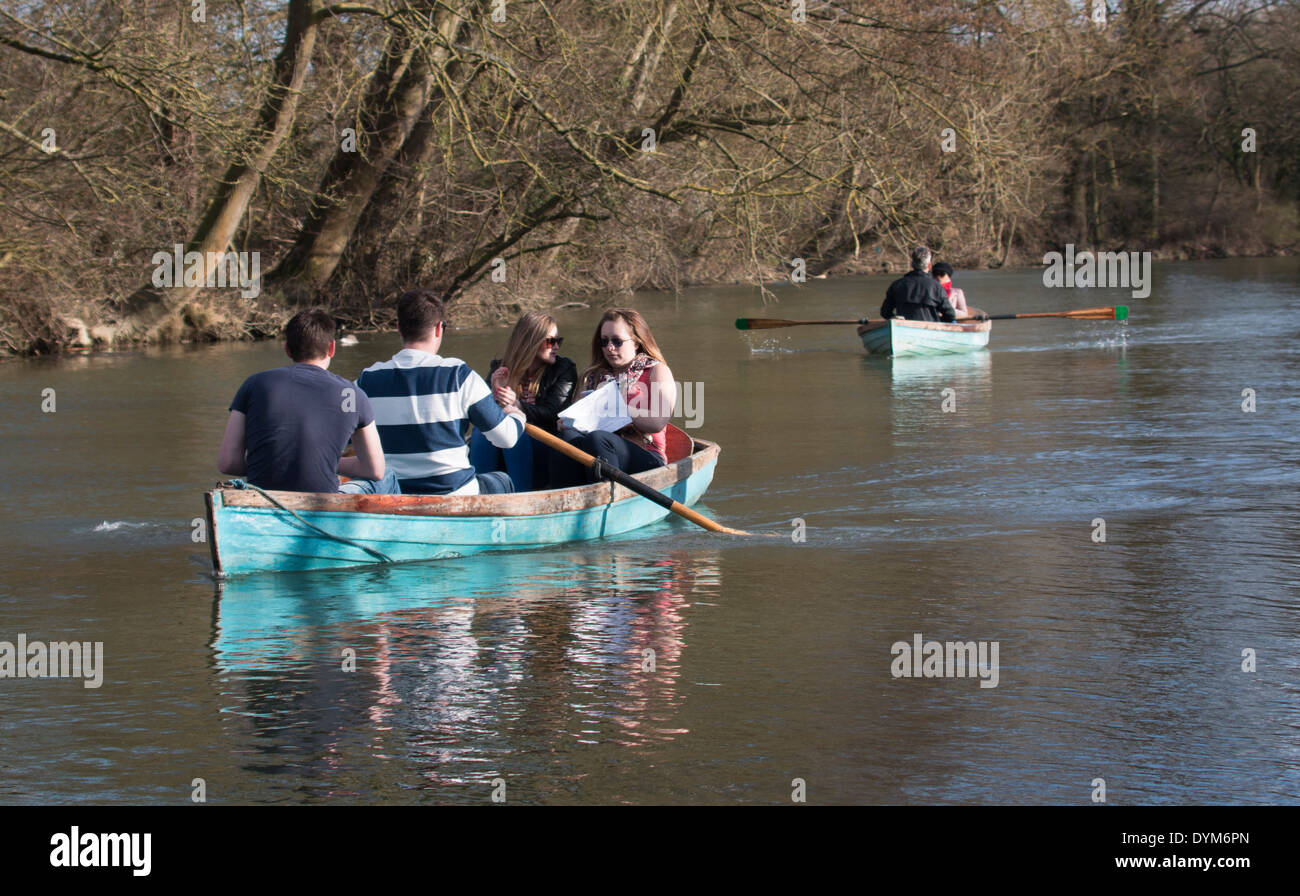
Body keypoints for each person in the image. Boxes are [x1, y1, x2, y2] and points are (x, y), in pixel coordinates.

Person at [356, 288, 524, 495]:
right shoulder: (460, 376)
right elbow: (506, 439)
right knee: (501, 480)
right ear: (438, 329)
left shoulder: (365, 382)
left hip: (395, 495)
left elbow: (342, 437)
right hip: (453, 495)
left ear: (399, 328)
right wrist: (517, 413)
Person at [218, 308, 397, 494]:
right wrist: (327, 463)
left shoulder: (254, 385)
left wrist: (273, 465)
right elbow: (374, 470)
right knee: (387, 476)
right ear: (331, 348)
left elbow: (228, 463)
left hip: (263, 498)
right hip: (322, 503)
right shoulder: (351, 394)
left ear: (287, 349)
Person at [550, 309, 674, 488]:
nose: (610, 348)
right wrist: (569, 421)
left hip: (646, 457)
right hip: (596, 451)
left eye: (617, 341)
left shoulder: (656, 371)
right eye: (604, 341)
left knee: (599, 439)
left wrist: (616, 411)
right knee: (566, 437)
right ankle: (564, 499)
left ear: (637, 343)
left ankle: (604, 500)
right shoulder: (591, 375)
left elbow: (657, 422)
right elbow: (576, 420)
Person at [468, 311, 577, 490]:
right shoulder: (499, 367)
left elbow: (553, 414)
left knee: (516, 433)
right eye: (550, 341)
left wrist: (517, 406)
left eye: (559, 341)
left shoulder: (564, 369)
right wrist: (493, 397)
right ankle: (479, 497)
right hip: (506, 440)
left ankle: (521, 498)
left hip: (545, 442)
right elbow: (480, 415)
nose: (556, 347)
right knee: (481, 433)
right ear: (531, 342)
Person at [881, 246, 957, 322]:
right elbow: (950, 315)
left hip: (904, 328)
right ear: (929, 266)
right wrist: (938, 320)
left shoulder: (897, 285)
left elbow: (885, 312)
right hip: (930, 329)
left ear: (912, 264)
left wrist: (895, 318)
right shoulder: (937, 287)